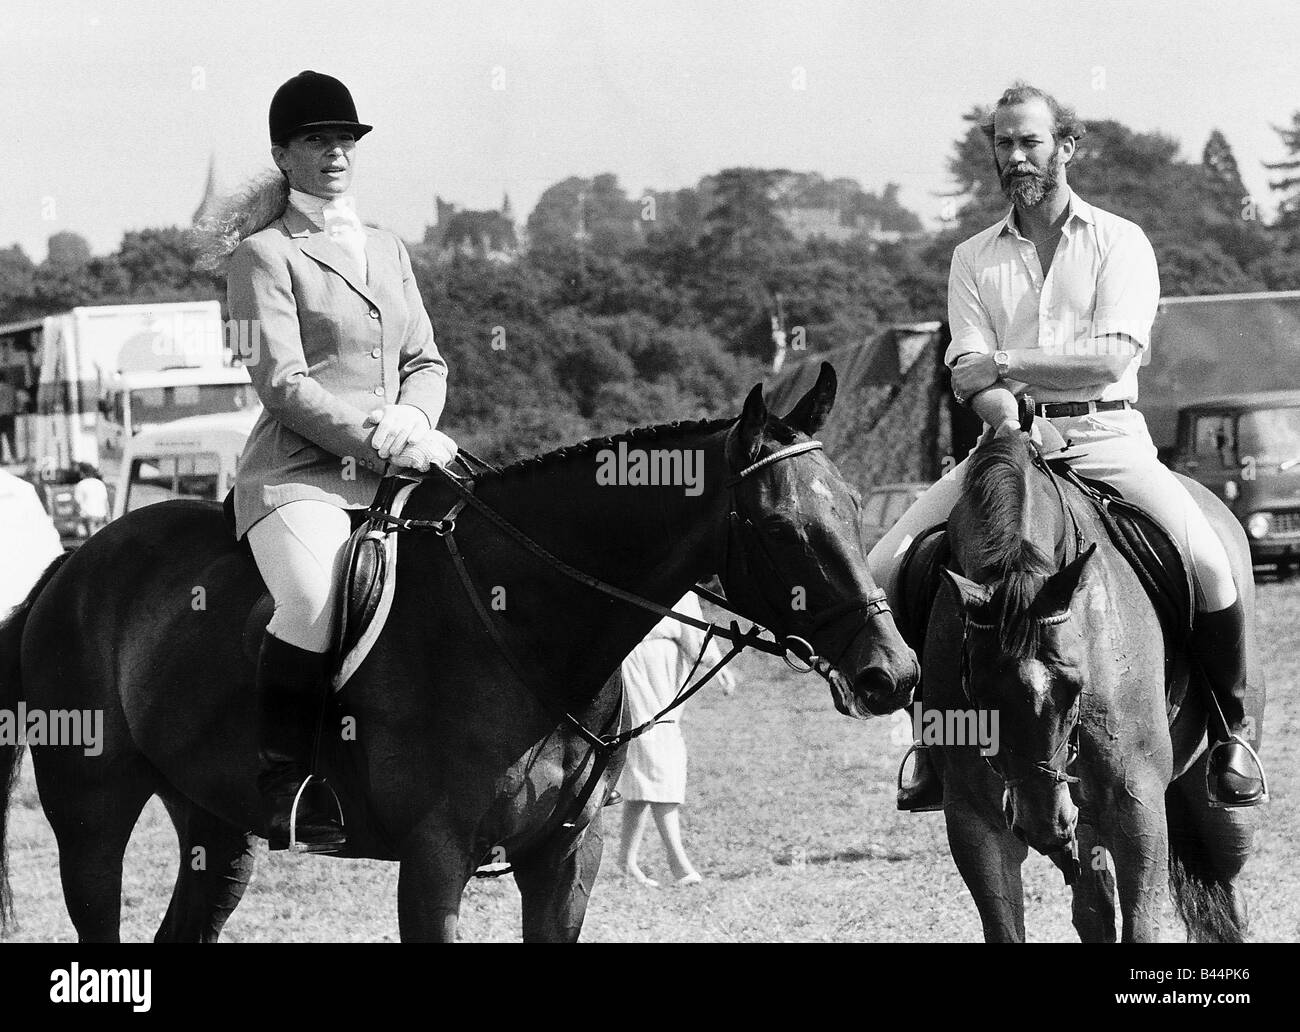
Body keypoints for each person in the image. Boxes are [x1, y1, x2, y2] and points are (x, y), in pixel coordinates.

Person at [869, 82, 1266, 812]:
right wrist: (1004, 409)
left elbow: (1111, 358)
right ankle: (932, 742)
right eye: (1003, 143)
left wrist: (1008, 365)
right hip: (1008, 443)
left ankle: (1230, 730)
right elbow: (965, 371)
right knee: (885, 564)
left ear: (1066, 148)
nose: (1016, 156)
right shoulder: (972, 258)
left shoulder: (1120, 240)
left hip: (1107, 437)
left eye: (1031, 142)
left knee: (1210, 562)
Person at [218, 71, 458, 853]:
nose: (335, 153)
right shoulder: (261, 256)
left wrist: (415, 419)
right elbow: (282, 385)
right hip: (298, 476)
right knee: (317, 600)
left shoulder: (388, 246)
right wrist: (375, 436)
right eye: (317, 141)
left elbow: (427, 359)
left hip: (401, 464)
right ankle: (284, 780)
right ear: (284, 156)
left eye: (345, 140)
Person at [616, 592, 735, 887]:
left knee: (648, 764)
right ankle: (678, 862)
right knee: (656, 758)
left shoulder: (682, 580)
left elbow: (694, 629)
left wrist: (717, 665)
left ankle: (626, 861)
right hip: (632, 665)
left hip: (667, 673)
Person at [0, 470, 64, 618]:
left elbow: (51, 559)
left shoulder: (18, 492)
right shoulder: (19, 490)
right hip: (24, 619)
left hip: (21, 619)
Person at [72, 463, 109, 537]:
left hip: (89, 516)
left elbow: (77, 503)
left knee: (91, 540)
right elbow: (105, 502)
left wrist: (77, 518)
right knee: (100, 538)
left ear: (83, 473)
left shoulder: (81, 484)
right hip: (101, 515)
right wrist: (108, 517)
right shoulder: (100, 484)